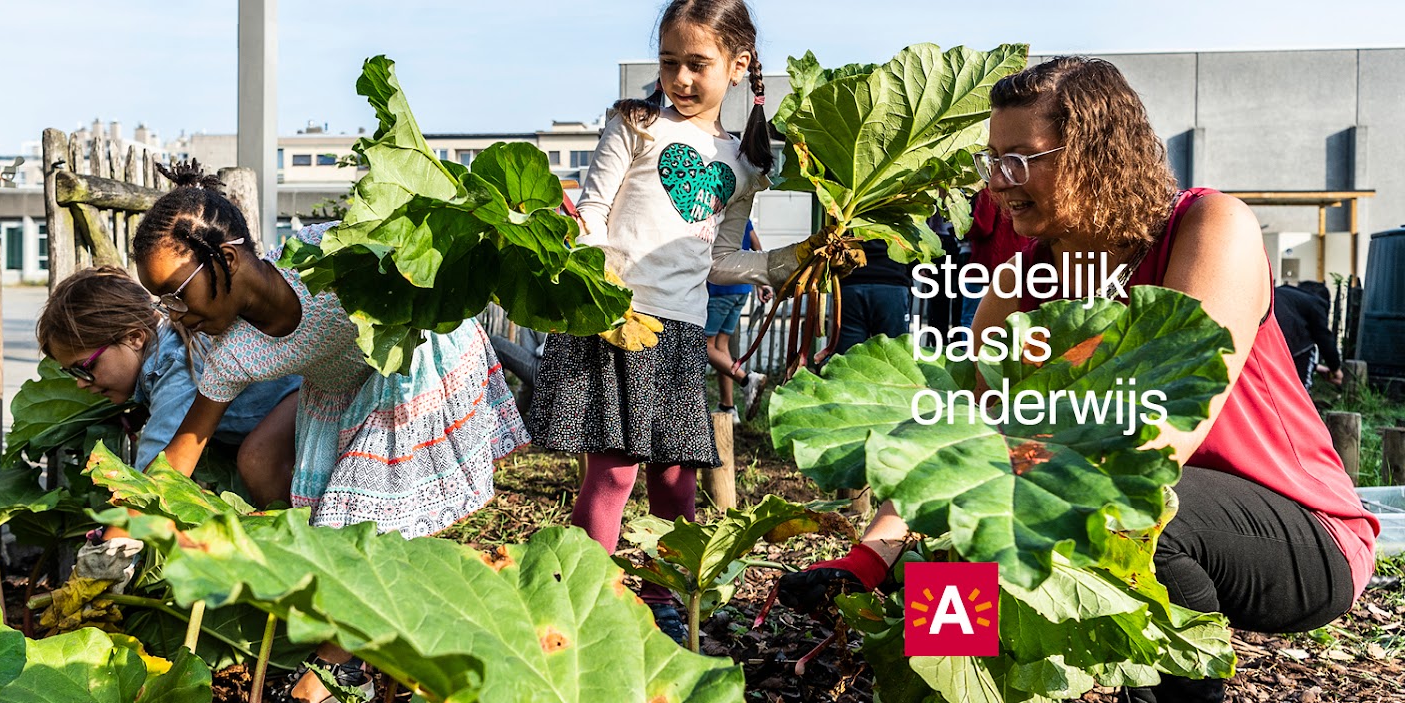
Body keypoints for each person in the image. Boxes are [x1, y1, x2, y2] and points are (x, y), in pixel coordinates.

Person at [781, 57, 1378, 703]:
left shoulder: (1208, 228)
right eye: (992, 161)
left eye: (1020, 158)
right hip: (1145, 510)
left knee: (1129, 511)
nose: (999, 182)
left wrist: (1005, 478)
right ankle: (960, 694)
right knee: (956, 542)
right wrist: (873, 555)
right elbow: (957, 431)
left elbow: (1165, 435)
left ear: (1097, 150)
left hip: (1302, 536)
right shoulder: (1022, 279)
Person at [131, 162, 529, 700]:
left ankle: (342, 665)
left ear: (225, 258)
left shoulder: (327, 259)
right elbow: (183, 450)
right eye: (162, 301)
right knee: (263, 467)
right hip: (340, 388)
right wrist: (122, 527)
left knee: (364, 519)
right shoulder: (230, 352)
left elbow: (421, 249)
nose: (173, 313)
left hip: (412, 368)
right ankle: (358, 618)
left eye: (176, 293)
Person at [527, 0, 811, 644]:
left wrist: (784, 263)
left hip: (678, 333)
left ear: (738, 67)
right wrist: (605, 294)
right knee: (614, 469)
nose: (680, 78)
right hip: (616, 319)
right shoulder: (634, 125)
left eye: (697, 64)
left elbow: (719, 259)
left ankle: (665, 603)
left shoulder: (745, 164)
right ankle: (583, 600)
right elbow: (591, 216)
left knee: (676, 475)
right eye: (668, 62)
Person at [36, 266, 299, 507]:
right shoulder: (158, 349)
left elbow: (158, 470)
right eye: (70, 372)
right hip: (280, 403)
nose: (81, 383)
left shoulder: (172, 364)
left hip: (300, 396)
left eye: (85, 368)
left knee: (259, 460)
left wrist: (121, 533)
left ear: (135, 338)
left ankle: (299, 542)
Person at [706, 220, 772, 423]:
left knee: (702, 345)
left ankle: (746, 379)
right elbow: (757, 247)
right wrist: (761, 282)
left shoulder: (715, 214)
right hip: (742, 287)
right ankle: (728, 407)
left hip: (720, 288)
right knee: (720, 346)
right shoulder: (742, 216)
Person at [959, 190, 1033, 328]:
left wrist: (962, 225)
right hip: (1017, 267)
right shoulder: (1026, 192)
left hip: (985, 268)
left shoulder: (990, 193)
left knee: (971, 319)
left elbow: (983, 227)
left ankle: (972, 350)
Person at [835, 236, 916, 353]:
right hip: (891, 282)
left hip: (852, 282)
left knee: (849, 355)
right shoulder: (906, 217)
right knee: (894, 355)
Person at [1274, 281, 1343, 389]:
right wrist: (1335, 368)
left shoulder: (1282, 293)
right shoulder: (1315, 302)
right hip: (1288, 347)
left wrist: (1315, 367)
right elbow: (1324, 338)